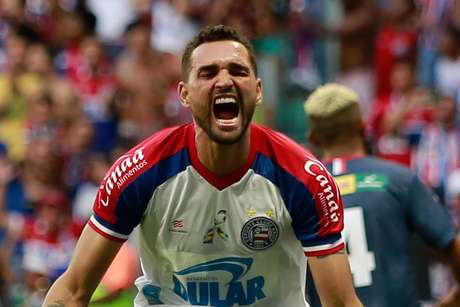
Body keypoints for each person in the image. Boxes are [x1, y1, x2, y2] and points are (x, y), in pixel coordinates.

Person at [42, 25, 362, 307]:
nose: (224, 81)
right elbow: (72, 291)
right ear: (184, 94)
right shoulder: (140, 171)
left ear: (258, 90)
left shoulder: (305, 177)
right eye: (208, 73)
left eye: (237, 71)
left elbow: (341, 303)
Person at [304, 83, 460, 307]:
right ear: (362, 127)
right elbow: (450, 243)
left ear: (314, 138)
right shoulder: (398, 180)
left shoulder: (300, 192)